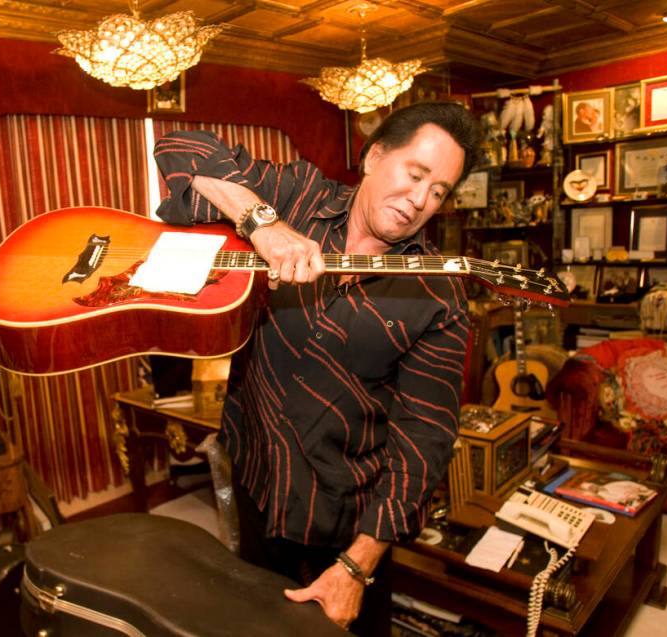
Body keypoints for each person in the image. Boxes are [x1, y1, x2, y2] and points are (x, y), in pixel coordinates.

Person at [153, 101, 480, 634]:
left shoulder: (437, 292)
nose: (421, 200)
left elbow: (424, 440)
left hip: (346, 523)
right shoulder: (296, 193)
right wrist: (262, 223)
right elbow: (178, 145)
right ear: (375, 156)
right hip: (256, 482)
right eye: (416, 175)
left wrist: (357, 566)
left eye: (439, 191)